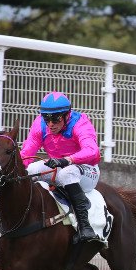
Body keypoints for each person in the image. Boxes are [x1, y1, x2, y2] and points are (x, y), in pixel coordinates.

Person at [21, 91, 102, 243]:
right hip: (59, 166)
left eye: (55, 118)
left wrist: (67, 160)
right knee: (31, 170)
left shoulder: (80, 123)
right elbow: (26, 153)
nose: (50, 124)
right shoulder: (40, 125)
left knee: (67, 174)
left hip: (87, 170)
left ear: (66, 115)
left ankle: (85, 227)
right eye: (46, 118)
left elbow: (92, 151)